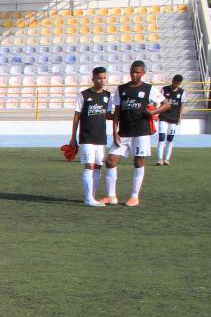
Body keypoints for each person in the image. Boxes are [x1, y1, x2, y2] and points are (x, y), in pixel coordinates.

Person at [103, 60, 166, 207]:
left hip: (141, 132)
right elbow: (117, 112)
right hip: (124, 132)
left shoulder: (149, 89)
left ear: (143, 73)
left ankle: (134, 196)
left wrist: (154, 112)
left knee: (138, 162)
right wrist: (114, 132)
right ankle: (111, 196)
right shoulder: (121, 89)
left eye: (137, 72)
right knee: (110, 161)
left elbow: (166, 104)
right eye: (132, 71)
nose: (134, 74)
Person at [69, 67, 112, 207]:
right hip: (86, 137)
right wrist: (73, 137)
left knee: (98, 166)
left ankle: (91, 196)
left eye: (104, 78)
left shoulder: (108, 95)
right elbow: (77, 116)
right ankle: (88, 198)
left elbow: (109, 115)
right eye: (99, 78)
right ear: (93, 78)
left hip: (101, 137)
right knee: (89, 165)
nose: (102, 80)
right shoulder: (83, 95)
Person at [156, 74, 184, 165]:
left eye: (178, 83)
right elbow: (158, 101)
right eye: (175, 82)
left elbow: (181, 106)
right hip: (163, 116)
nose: (176, 85)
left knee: (170, 138)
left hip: (174, 118)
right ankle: (159, 159)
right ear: (172, 81)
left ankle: (167, 159)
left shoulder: (182, 92)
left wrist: (180, 118)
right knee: (161, 137)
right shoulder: (164, 90)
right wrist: (157, 112)